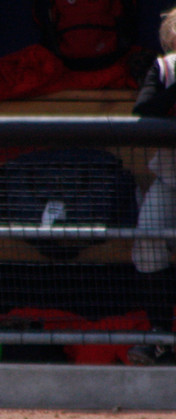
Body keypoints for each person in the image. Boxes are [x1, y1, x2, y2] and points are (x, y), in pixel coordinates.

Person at [129, 8, 176, 365]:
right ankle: (162, 338)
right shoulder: (164, 69)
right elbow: (144, 112)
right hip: (169, 178)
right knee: (147, 243)